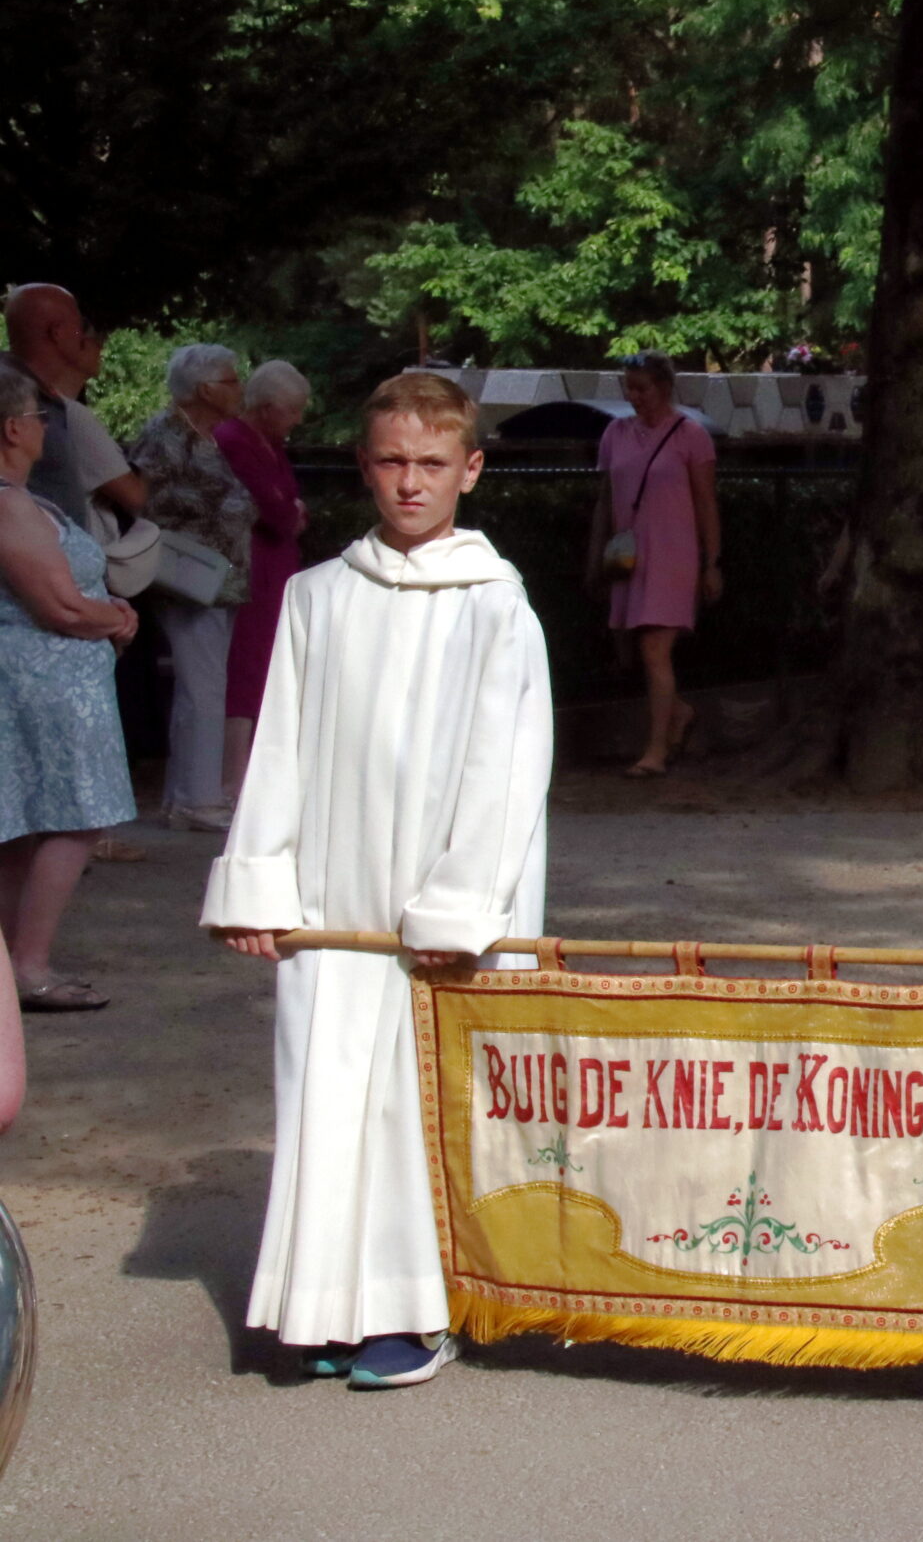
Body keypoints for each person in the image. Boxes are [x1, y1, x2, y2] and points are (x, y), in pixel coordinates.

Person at [203, 371, 552, 1390]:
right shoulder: (319, 596)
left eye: (432, 464)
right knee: (324, 1085)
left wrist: (459, 906)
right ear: (363, 465)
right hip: (333, 895)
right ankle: (324, 1302)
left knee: (415, 1099)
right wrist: (260, 885)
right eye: (392, 461)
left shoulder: (497, 605)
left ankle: (416, 1309)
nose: (410, 482)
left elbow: (505, 771)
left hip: (440, 902)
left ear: (469, 470)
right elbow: (281, 746)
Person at [0, 357, 139, 1012]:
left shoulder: (22, 499)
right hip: (47, 685)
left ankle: (14, 964)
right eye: (36, 417)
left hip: (50, 682)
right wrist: (116, 617)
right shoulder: (8, 505)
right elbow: (59, 606)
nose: (43, 429)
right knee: (75, 820)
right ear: (11, 428)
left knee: (24, 827)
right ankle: (30, 966)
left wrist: (107, 610)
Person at [131, 344, 256, 831]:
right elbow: (140, 501)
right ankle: (198, 799)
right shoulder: (166, 435)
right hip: (187, 578)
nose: (239, 388)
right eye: (231, 380)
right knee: (202, 687)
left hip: (217, 580)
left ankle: (185, 796)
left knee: (203, 684)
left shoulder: (208, 435)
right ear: (205, 389)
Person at [586, 352, 719, 777]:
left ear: (663, 388)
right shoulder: (615, 433)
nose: (634, 396)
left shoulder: (690, 435)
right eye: (629, 387)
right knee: (636, 650)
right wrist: (597, 555)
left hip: (673, 555)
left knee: (654, 649)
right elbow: (606, 499)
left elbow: (706, 503)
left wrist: (712, 562)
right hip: (629, 555)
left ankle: (656, 750)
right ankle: (678, 713)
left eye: (642, 387)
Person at [214, 361, 307, 801]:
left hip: (274, 567)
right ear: (268, 408)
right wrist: (290, 513)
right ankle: (232, 778)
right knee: (245, 666)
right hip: (251, 567)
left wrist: (289, 511)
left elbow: (287, 503)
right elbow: (276, 508)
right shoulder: (235, 440)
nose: (298, 420)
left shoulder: (271, 443)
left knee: (266, 662)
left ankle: (251, 773)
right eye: (293, 410)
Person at [2, 285, 146, 544]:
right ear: (57, 332)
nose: (88, 338)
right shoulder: (19, 399)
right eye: (80, 326)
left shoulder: (32, 393)